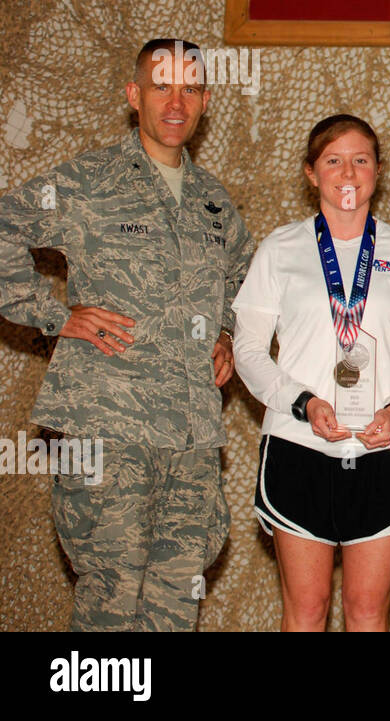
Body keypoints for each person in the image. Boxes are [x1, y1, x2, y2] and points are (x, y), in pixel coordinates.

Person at [0, 38, 254, 630]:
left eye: (190, 88)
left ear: (205, 102)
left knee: (176, 594)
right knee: (111, 592)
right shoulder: (89, 180)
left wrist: (226, 332)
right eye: (161, 85)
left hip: (191, 433)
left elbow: (248, 278)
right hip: (106, 421)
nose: (176, 101)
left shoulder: (214, 201)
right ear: (133, 95)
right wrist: (53, 313)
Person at [232, 114, 390, 631]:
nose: (348, 172)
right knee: (307, 610)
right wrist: (303, 401)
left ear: (378, 171)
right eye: (333, 160)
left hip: (383, 447)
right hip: (299, 444)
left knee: (367, 611)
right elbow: (248, 350)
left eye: (361, 159)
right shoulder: (279, 250)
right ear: (310, 173)